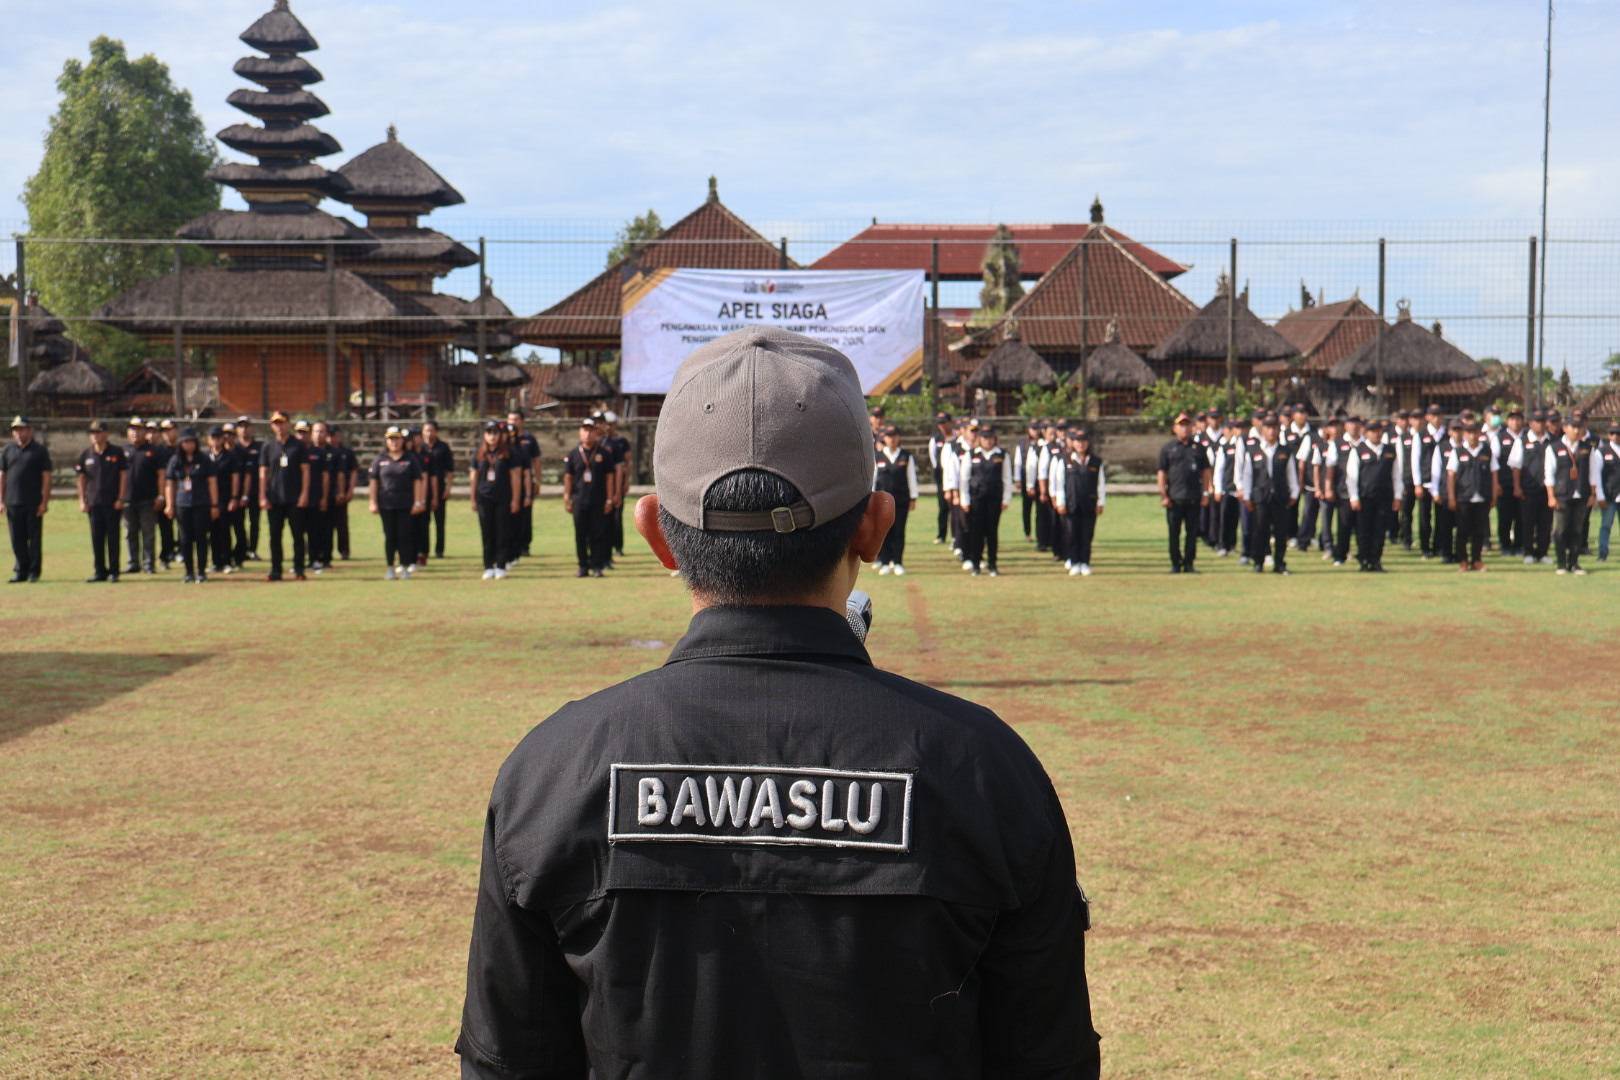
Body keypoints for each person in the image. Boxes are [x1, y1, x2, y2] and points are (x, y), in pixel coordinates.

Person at [456, 325, 1099, 1078]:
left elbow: (510, 1062)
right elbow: (1046, 1059)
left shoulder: (555, 769)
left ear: (657, 534)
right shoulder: (983, 769)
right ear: (874, 525)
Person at [1236, 414, 1300, 575]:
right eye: (1268, 428)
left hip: (1280, 496)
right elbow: (1248, 475)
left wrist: (1294, 492)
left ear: (1279, 430)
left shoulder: (1285, 451)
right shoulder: (1253, 450)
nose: (1271, 431)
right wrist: (1247, 495)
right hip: (1261, 496)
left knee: (1280, 531)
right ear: (1262, 430)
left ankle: (1279, 563)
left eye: (1274, 428)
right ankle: (1258, 562)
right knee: (1259, 530)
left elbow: (1291, 473)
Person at [1544, 411, 1602, 575]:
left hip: (1581, 494)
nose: (1577, 431)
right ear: (1565, 428)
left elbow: (1593, 473)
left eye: (1579, 427)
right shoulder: (1554, 448)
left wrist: (1592, 494)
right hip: (1562, 494)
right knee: (1561, 529)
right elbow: (1549, 473)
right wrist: (1551, 495)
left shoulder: (1587, 448)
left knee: (1577, 529)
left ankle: (1574, 562)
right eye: (1573, 427)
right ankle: (1562, 563)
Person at [73, 420, 129, 583]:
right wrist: (82, 500)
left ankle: (114, 571)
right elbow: (82, 479)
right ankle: (99, 571)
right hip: (94, 502)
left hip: (112, 502)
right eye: (92, 433)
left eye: (98, 432)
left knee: (113, 537)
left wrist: (121, 497)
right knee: (97, 538)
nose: (95, 436)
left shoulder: (117, 452)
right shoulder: (86, 454)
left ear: (106, 434)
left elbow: (123, 476)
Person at [1156, 411, 1211, 574]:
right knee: (1174, 533)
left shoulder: (1198, 448)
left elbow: (1206, 472)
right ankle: (1175, 563)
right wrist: (1163, 495)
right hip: (1174, 498)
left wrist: (1206, 493)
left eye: (1187, 425)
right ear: (1175, 428)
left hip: (1194, 498)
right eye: (1181, 425)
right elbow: (1161, 473)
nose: (1184, 428)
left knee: (1192, 534)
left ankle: (1189, 563)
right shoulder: (1168, 448)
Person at [369, 425, 427, 579]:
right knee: (390, 536)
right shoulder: (380, 459)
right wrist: (373, 502)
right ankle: (390, 567)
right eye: (391, 439)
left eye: (397, 438)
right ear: (386, 440)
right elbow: (374, 481)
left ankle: (405, 566)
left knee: (404, 536)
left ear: (402, 440)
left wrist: (418, 502)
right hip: (386, 504)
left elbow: (418, 481)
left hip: (405, 504)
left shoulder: (410, 459)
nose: (394, 442)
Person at [259, 411, 311, 582]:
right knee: (275, 536)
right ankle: (276, 570)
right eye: (275, 423)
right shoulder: (268, 447)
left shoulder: (298, 446)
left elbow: (305, 471)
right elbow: (263, 473)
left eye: (282, 422)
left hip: (295, 498)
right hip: (274, 499)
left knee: (297, 536)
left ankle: (299, 569)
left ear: (288, 424)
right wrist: (262, 496)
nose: (279, 426)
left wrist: (304, 494)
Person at [163, 427, 219, 584]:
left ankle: (201, 572)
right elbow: (170, 483)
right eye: (186, 442)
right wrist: (169, 504)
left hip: (201, 503)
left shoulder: (204, 460)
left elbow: (212, 483)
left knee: (201, 538)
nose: (189, 445)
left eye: (192, 442)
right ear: (181, 444)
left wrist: (214, 505)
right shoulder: (175, 461)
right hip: (182, 504)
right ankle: (189, 572)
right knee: (184, 539)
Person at [1347, 419, 1403, 572]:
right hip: (1365, 497)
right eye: (1372, 430)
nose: (1376, 433)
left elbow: (1396, 474)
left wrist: (1398, 495)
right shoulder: (1358, 450)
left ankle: (1376, 560)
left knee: (1380, 530)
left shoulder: (1390, 451)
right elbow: (1351, 476)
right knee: (1364, 530)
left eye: (1379, 430)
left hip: (1384, 497)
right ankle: (1364, 560)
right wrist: (1354, 497)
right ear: (1366, 432)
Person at [1, 416, 52, 583]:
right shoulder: (7, 451)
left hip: (33, 502)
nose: (18, 432)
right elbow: (3, 475)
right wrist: (1, 500)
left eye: (21, 429)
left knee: (34, 539)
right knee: (17, 539)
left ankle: (34, 571)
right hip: (13, 502)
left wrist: (44, 501)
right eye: (16, 429)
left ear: (30, 430)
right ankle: (20, 570)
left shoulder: (39, 451)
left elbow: (46, 476)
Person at [562, 417, 615, 578]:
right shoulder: (573, 454)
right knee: (580, 535)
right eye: (584, 430)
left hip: (598, 501)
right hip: (579, 501)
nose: (587, 434)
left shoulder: (603, 453)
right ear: (580, 432)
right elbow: (568, 478)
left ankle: (597, 566)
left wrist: (609, 499)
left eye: (590, 430)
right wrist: (567, 498)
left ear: (595, 432)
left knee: (597, 534)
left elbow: (610, 478)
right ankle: (583, 566)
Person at [958, 423, 1011, 577]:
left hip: (994, 499)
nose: (988, 441)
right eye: (985, 438)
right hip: (976, 498)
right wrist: (965, 500)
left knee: (992, 532)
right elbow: (964, 479)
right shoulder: (972, 454)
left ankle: (992, 564)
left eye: (990, 438)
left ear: (995, 439)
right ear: (980, 439)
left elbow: (1007, 478)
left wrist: (1006, 499)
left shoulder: (1001, 455)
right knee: (976, 532)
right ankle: (976, 563)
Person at [471, 420, 520, 580]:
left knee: (502, 532)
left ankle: (500, 565)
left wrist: (515, 499)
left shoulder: (508, 453)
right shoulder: (479, 454)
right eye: (489, 433)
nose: (492, 436)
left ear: (500, 435)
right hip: (484, 498)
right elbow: (474, 477)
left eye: (495, 433)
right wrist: (473, 498)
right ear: (484, 435)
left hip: (503, 497)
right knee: (487, 533)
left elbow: (515, 477)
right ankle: (488, 565)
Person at [1052, 426, 1105, 576]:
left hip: (1089, 502)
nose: (1081, 445)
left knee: (1087, 534)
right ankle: (1074, 561)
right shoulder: (1065, 460)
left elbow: (1100, 484)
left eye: (1084, 441)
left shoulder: (1095, 462)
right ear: (1073, 443)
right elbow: (1060, 482)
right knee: (1071, 533)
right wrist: (1061, 502)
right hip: (1071, 503)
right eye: (1078, 442)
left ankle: (1085, 562)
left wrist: (1100, 502)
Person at [1446, 420, 1497, 572]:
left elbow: (1494, 474)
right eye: (1469, 432)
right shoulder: (1458, 452)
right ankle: (1463, 561)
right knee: (1462, 531)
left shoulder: (1487, 452)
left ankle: (1477, 560)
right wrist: (1451, 497)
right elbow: (1451, 476)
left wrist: (1494, 496)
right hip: (1464, 498)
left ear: (1479, 433)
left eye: (1475, 432)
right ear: (1464, 434)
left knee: (1479, 532)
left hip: (1482, 497)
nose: (1472, 435)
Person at [871, 424, 918, 574]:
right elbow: (873, 479)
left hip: (901, 500)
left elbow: (911, 478)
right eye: (889, 436)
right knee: (884, 531)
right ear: (884, 438)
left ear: (899, 438)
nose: (892, 439)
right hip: (883, 502)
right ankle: (884, 562)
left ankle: (897, 562)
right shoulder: (878, 456)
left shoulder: (906, 455)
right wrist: (871, 498)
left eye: (894, 436)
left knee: (899, 531)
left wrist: (913, 497)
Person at [204, 425, 240, 575]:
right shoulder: (205, 457)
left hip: (225, 498)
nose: (216, 440)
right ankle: (215, 562)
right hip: (209, 500)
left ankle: (227, 561)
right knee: (212, 533)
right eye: (213, 437)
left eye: (218, 437)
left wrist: (234, 497)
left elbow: (236, 478)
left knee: (225, 531)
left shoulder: (230, 456)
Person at [509, 410, 543, 561]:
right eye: (510, 420)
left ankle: (525, 546)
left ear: (522, 422)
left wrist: (538, 481)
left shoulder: (529, 440)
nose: (513, 422)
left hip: (526, 483)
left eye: (516, 419)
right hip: (508, 485)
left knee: (525, 516)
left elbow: (536, 461)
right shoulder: (504, 440)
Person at [600, 411, 632, 562]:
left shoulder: (621, 442)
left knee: (617, 517)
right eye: (605, 424)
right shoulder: (602, 442)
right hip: (605, 484)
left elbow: (627, 463)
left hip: (618, 483)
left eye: (610, 424)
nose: (607, 427)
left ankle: (618, 546)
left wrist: (625, 482)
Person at [1493, 407, 1525, 556]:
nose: (1516, 422)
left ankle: (1519, 545)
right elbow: (1494, 462)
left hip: (1524, 484)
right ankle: (1505, 545)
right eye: (1512, 419)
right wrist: (1496, 484)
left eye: (1518, 419)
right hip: (1504, 484)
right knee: (1505, 516)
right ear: (1507, 421)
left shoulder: (1527, 438)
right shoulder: (1499, 437)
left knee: (1521, 516)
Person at [421, 419, 455, 558]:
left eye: (431, 430)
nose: (429, 433)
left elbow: (450, 470)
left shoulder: (443, 447)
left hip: (439, 489)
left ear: (436, 432)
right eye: (426, 430)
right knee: (424, 522)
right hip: (422, 490)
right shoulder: (420, 448)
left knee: (439, 521)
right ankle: (424, 549)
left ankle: (439, 550)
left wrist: (448, 487)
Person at [303, 420, 333, 573]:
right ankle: (301, 560)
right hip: (299, 499)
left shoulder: (319, 454)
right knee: (300, 531)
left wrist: (323, 498)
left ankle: (318, 558)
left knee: (317, 530)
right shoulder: (295, 451)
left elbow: (325, 477)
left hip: (316, 497)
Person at [233, 416, 263, 563]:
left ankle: (253, 549)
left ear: (252, 428)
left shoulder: (259, 447)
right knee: (239, 523)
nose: (244, 429)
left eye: (246, 426)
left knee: (254, 522)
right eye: (241, 426)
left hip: (255, 491)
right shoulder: (235, 448)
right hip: (238, 493)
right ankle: (242, 548)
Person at [327, 425, 358, 561]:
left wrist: (350, 490)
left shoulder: (346, 452)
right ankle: (325, 551)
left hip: (341, 492)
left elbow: (354, 471)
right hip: (325, 493)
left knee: (342, 524)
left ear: (338, 435)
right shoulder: (323, 451)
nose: (331, 438)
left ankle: (344, 550)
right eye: (329, 435)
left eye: (333, 435)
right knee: (325, 524)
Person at [153, 419, 179, 568]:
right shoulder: (158, 452)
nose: (167, 434)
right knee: (165, 527)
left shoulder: (182, 449)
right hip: (165, 494)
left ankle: (181, 551)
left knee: (183, 527)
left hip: (181, 493)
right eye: (164, 431)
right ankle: (166, 555)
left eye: (170, 430)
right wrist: (161, 495)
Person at [927, 411, 955, 547]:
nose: (942, 426)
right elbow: (934, 460)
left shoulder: (957, 437)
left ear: (950, 422)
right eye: (940, 423)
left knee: (955, 507)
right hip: (941, 477)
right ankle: (941, 534)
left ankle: (956, 535)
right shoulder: (935, 439)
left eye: (944, 422)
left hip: (956, 477)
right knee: (943, 507)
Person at [1597, 423, 1620, 562]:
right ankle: (1603, 553)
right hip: (1609, 495)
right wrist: (1600, 495)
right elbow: (1597, 475)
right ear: (1608, 435)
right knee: (1606, 525)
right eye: (1613, 433)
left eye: (1618, 433)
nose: (1616, 436)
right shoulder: (1602, 451)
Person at [1014, 418, 1040, 540]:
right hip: (1026, 478)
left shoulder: (1042, 443)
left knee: (1041, 509)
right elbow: (1018, 462)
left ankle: (1041, 533)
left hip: (1040, 480)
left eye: (1037, 428)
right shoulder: (1023, 444)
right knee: (1027, 507)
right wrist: (1018, 479)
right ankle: (1028, 533)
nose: (1035, 431)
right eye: (1033, 429)